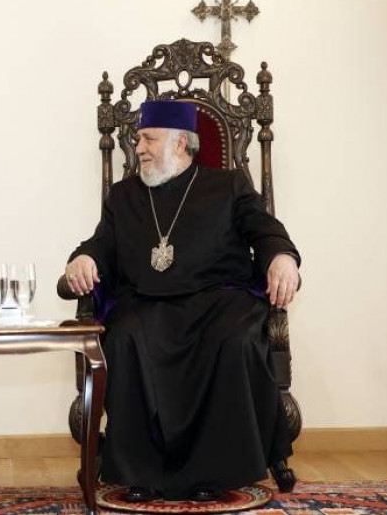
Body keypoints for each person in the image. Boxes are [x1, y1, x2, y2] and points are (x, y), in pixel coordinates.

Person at [65, 100, 300, 502]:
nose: (138, 147)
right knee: (123, 338)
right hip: (146, 303)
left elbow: (265, 230)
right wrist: (84, 258)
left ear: (180, 144)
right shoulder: (124, 195)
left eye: (148, 139)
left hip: (218, 301)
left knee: (234, 340)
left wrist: (281, 257)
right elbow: (101, 244)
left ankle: (216, 472)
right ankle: (140, 473)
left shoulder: (229, 185)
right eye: (138, 139)